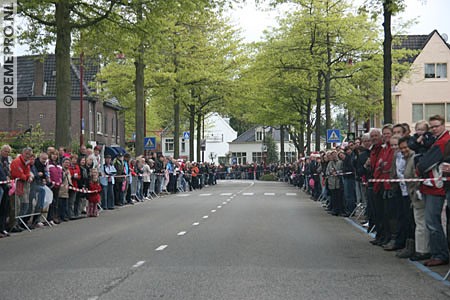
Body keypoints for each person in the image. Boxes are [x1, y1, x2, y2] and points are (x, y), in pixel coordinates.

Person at [416, 115, 450, 267]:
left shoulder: (442, 142)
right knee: (432, 222)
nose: (434, 129)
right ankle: (438, 253)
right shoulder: (436, 141)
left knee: (432, 222)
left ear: (443, 125)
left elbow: (424, 164)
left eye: (436, 126)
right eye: (432, 127)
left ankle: (440, 254)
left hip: (436, 187)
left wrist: (419, 165)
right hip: (431, 185)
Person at [10, 147, 34, 230]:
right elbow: (18, 174)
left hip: (24, 187)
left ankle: (19, 223)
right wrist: (27, 177)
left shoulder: (27, 162)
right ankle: (13, 225)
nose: (28, 156)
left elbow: (27, 173)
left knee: (25, 205)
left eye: (29, 154)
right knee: (17, 206)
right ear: (22, 153)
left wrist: (27, 176)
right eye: (26, 154)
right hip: (16, 186)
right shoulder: (16, 161)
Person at [58, 157, 72, 222]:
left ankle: (64, 216)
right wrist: (64, 174)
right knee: (60, 204)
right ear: (63, 163)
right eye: (66, 162)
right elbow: (60, 178)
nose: (67, 164)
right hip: (61, 189)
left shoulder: (68, 171)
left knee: (65, 204)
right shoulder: (60, 170)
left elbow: (69, 180)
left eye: (68, 163)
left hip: (66, 190)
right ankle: (60, 216)